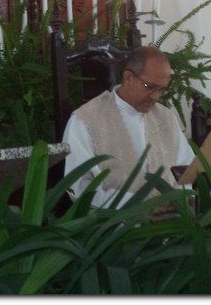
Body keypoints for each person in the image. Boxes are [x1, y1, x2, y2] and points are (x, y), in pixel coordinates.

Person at [63, 46, 194, 207]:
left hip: (170, 222)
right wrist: (138, 207)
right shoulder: (85, 120)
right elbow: (79, 186)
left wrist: (177, 202)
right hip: (114, 225)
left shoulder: (166, 117)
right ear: (128, 77)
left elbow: (185, 170)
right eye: (150, 87)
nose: (155, 97)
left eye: (162, 89)